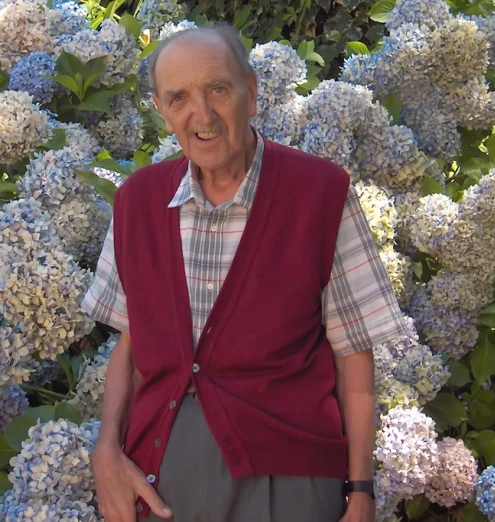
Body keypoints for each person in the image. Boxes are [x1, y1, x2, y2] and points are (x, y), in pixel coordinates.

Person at [80, 22, 406, 522]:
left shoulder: (321, 193)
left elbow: (353, 353)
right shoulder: (137, 202)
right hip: (159, 483)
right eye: (179, 98)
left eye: (217, 89)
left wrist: (360, 490)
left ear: (250, 93)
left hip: (290, 482)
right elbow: (130, 341)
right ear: (163, 113)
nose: (202, 114)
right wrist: (107, 451)